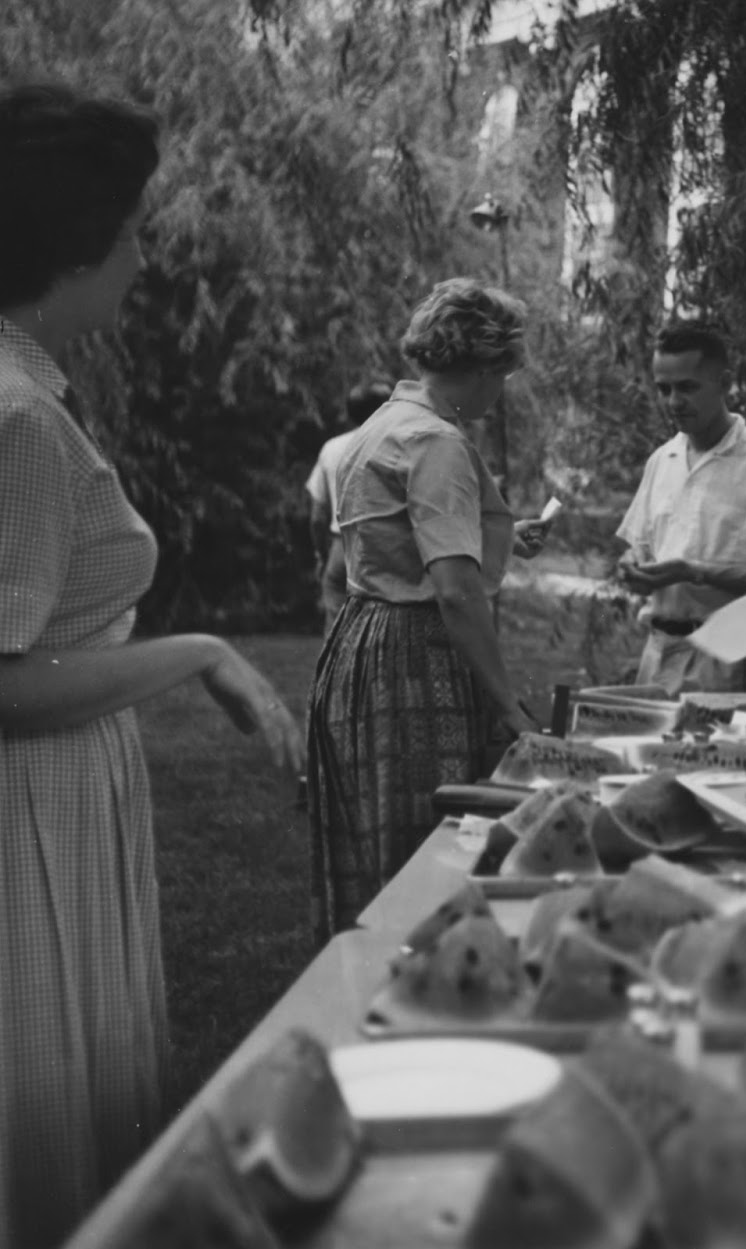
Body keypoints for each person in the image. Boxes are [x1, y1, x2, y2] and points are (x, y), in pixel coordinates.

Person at [0, 84, 303, 1246]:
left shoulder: (29, 391)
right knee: (43, 1107)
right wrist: (198, 652)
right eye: (130, 228)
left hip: (66, 798)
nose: (142, 252)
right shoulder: (21, 419)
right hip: (31, 808)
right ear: (72, 244)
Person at [306, 278, 541, 941]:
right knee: (426, 844)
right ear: (476, 365)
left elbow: (404, 538)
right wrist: (506, 705)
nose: (500, 394)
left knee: (378, 843)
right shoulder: (436, 440)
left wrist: (504, 535)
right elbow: (456, 591)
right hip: (414, 658)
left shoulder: (385, 422)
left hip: (363, 640)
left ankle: (371, 976)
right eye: (501, 374)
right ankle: (421, 975)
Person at [615, 321, 746, 694]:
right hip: (658, 654)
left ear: (726, 382)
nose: (673, 402)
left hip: (728, 659)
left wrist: (693, 571)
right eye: (664, 389)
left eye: (687, 387)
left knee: (718, 754)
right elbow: (638, 554)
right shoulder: (662, 460)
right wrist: (632, 569)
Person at [306, 380, 393, 634]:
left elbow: (317, 516)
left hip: (340, 546)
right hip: (387, 549)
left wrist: (322, 555)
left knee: (335, 630)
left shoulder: (332, 448)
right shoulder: (401, 445)